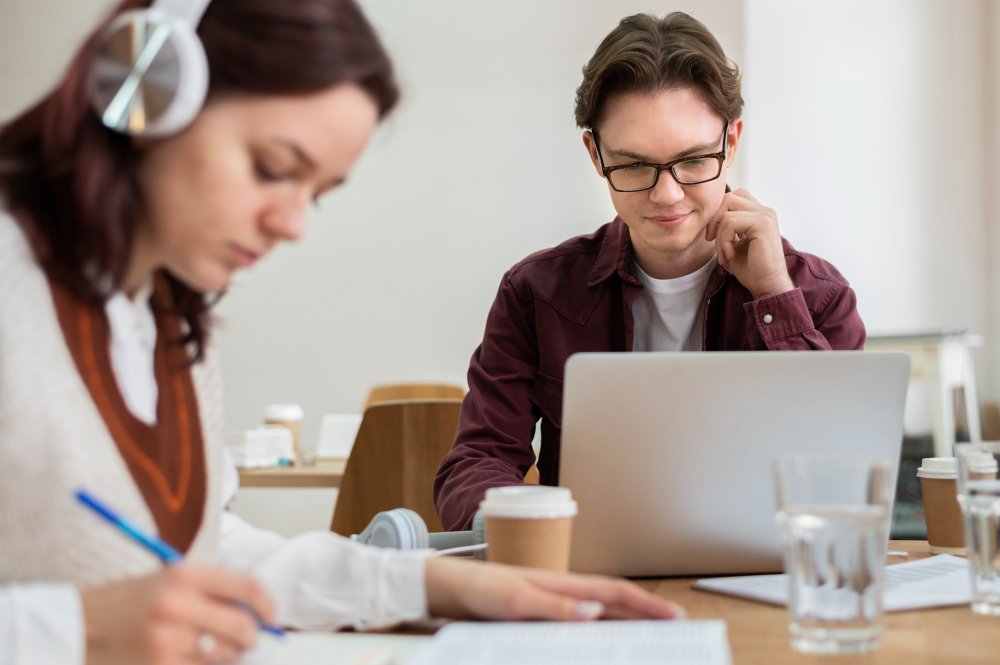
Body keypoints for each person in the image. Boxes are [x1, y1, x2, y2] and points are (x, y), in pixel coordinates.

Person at [0, 1, 684, 664]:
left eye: (317, 191)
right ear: (150, 94)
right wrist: (71, 631)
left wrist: (441, 583)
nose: (294, 224)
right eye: (272, 167)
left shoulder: (167, 319)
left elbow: (209, 552)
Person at [434, 11, 867, 531]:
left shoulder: (819, 297)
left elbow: (844, 479)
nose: (667, 194)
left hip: (766, 584)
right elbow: (476, 461)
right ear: (595, 154)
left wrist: (776, 296)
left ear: (731, 143)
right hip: (590, 587)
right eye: (635, 165)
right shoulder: (535, 294)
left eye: (692, 160)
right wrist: (520, 532)